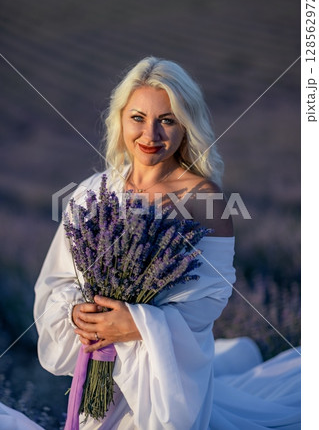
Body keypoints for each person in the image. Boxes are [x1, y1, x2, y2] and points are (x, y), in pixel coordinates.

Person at [34, 57, 301, 429]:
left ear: (185, 126)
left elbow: (211, 300)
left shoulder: (203, 198)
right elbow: (57, 280)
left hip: (163, 382)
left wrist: (138, 323)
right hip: (99, 365)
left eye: (168, 120)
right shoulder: (92, 192)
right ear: (121, 118)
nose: (151, 135)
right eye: (138, 118)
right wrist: (75, 313)